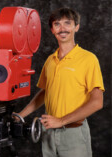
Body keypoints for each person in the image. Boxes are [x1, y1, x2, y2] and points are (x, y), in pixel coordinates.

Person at [16, 7, 104, 157]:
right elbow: (45, 92)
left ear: (76, 27)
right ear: (52, 29)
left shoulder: (88, 59)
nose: (62, 28)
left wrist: (61, 121)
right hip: (48, 132)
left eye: (67, 23)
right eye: (57, 24)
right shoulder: (50, 60)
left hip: (73, 134)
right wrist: (20, 115)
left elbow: (97, 102)